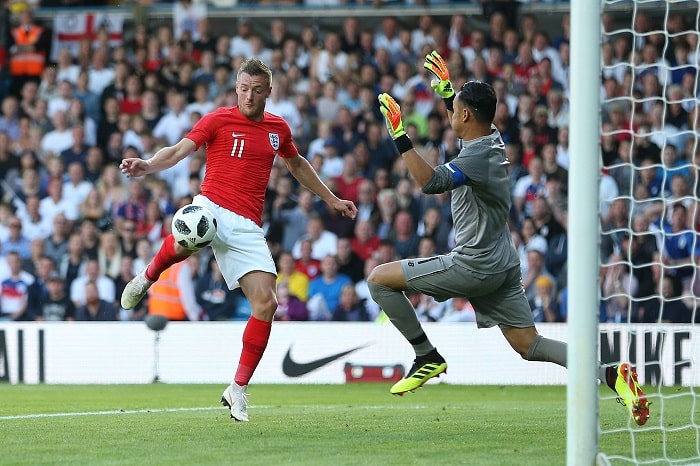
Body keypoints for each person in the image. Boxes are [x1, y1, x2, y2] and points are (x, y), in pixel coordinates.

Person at [369, 50, 649, 426]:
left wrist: (401, 136)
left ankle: (426, 356)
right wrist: (448, 92)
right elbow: (467, 120)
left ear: (466, 115)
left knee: (379, 279)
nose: (450, 115)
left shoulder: (475, 158)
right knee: (529, 345)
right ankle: (612, 374)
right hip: (502, 261)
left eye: (454, 110)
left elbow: (431, 182)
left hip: (474, 264)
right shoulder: (491, 138)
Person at [119, 58, 357, 422]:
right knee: (189, 234)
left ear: (268, 92)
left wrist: (331, 199)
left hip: (246, 225)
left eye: (257, 90)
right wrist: (148, 165)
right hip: (211, 206)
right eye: (243, 88)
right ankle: (147, 277)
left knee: (267, 303)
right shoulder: (217, 119)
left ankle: (238, 389)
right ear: (236, 88)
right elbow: (180, 150)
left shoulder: (278, 129)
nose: (249, 95)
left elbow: (298, 166)